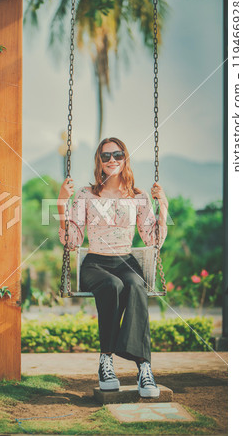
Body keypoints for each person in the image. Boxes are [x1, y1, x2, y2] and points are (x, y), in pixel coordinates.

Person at [57, 137, 168, 398]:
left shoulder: (138, 196)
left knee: (135, 284)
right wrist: (62, 204)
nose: (112, 160)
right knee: (112, 285)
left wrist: (162, 206)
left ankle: (144, 368)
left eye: (117, 155)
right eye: (106, 156)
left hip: (125, 260)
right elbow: (72, 241)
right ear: (99, 161)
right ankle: (106, 361)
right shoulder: (85, 194)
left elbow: (151, 239)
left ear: (125, 158)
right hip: (95, 262)